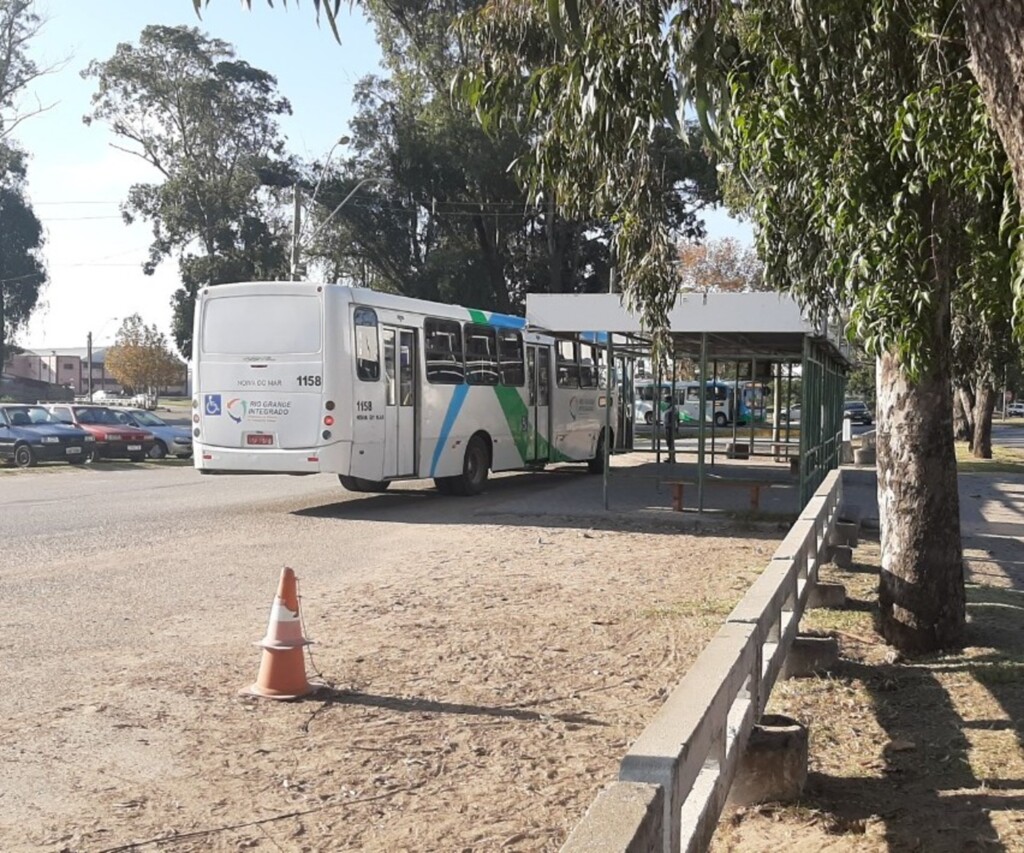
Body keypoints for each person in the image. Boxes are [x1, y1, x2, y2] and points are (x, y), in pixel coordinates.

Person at [662, 394, 677, 463]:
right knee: (669, 443)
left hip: (670, 428)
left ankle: (672, 458)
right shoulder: (669, 408)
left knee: (670, 443)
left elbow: (674, 419)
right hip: (668, 427)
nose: (665, 402)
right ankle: (671, 457)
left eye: (666, 401)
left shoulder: (672, 409)